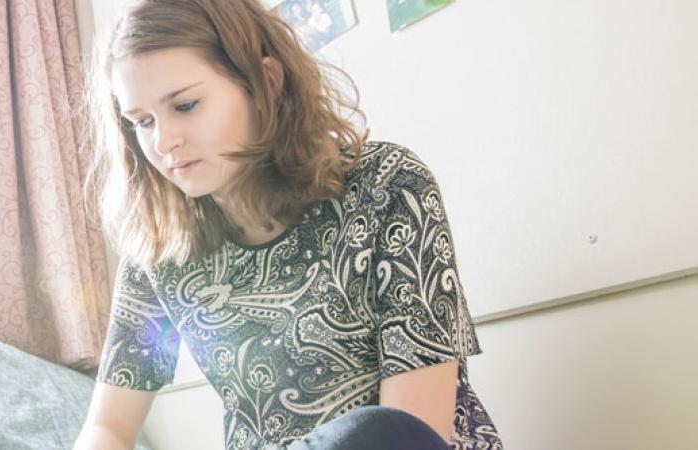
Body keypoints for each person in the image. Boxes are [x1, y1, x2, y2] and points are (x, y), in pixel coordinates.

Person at [72, 1, 502, 449]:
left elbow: (410, 427)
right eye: (142, 122)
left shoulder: (389, 185)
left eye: (185, 104)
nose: (162, 142)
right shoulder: (161, 254)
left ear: (266, 83)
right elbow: (109, 426)